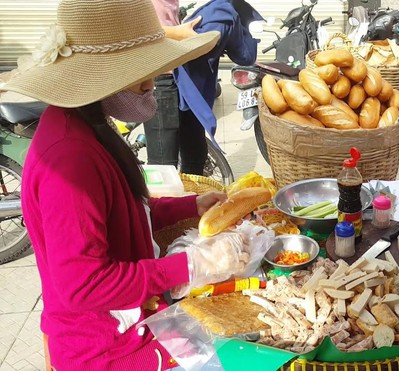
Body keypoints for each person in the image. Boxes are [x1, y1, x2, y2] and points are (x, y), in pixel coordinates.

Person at [2, 0, 237, 369]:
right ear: (98, 73)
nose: (151, 81)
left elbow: (125, 212)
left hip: (137, 321)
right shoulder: (70, 160)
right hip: (107, 348)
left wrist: (190, 206)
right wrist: (191, 265)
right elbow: (84, 285)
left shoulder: (92, 125)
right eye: (140, 70)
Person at [145, 0, 209, 176]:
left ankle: (193, 198)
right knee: (164, 165)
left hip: (183, 75)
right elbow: (137, 28)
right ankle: (164, 202)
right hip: (161, 79)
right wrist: (181, 33)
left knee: (196, 155)